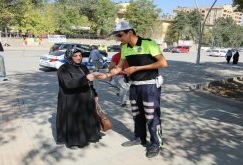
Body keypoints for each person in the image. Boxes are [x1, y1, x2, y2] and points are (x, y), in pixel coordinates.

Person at [96, 21, 168, 158]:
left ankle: (156, 143)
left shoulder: (148, 43)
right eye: (117, 36)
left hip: (150, 85)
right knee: (137, 114)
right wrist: (107, 75)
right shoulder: (125, 48)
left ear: (130, 32)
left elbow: (163, 63)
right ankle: (139, 138)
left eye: (120, 35)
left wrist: (138, 68)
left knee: (151, 116)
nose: (118, 38)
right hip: (134, 85)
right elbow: (119, 67)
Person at [56, 49, 101, 149]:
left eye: (80, 55)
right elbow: (68, 84)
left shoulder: (83, 67)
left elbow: (90, 83)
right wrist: (85, 78)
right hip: (71, 99)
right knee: (73, 120)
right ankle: (74, 141)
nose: (78, 58)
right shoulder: (63, 69)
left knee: (84, 118)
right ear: (69, 56)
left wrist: (94, 93)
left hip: (84, 98)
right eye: (75, 55)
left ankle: (88, 137)